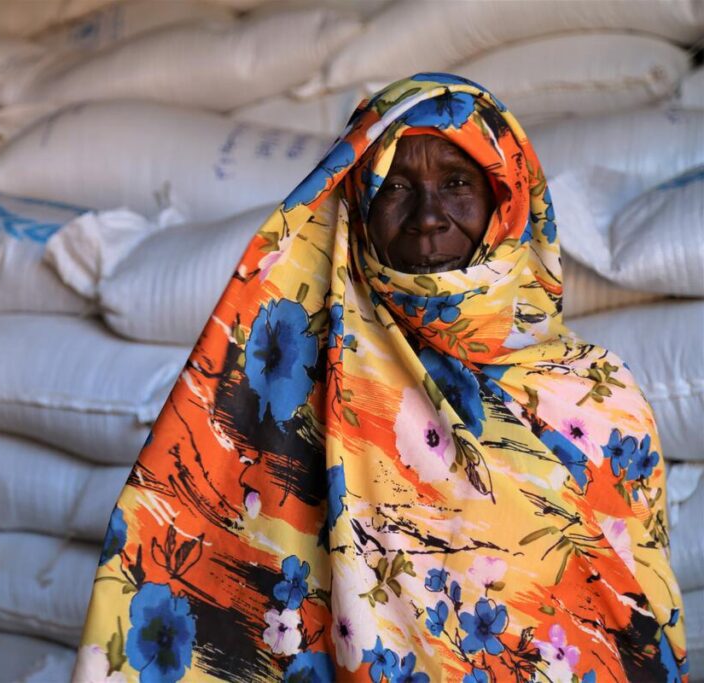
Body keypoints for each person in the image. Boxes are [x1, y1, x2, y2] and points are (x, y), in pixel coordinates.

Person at [72, 74, 688, 682]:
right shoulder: (295, 395)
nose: (428, 217)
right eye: (396, 186)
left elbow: (639, 621)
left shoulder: (598, 397)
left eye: (456, 183)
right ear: (360, 206)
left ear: (507, 196)